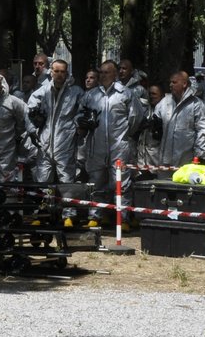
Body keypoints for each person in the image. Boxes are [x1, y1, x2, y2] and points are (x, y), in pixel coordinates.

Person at [80, 60, 146, 229]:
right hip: (96, 146)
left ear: (115, 74)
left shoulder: (125, 94)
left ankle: (122, 218)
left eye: (106, 72)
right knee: (96, 182)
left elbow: (136, 117)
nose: (102, 75)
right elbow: (80, 115)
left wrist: (125, 136)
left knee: (121, 183)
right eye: (101, 72)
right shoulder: (91, 95)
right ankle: (95, 216)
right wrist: (83, 122)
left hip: (119, 146)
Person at [26, 58, 85, 227]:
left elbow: (82, 113)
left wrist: (78, 126)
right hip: (44, 144)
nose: (59, 75)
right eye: (56, 71)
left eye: (62, 72)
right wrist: (32, 129)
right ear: (51, 72)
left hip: (65, 144)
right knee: (43, 181)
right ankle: (42, 213)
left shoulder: (76, 92)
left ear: (67, 73)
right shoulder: (42, 92)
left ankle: (68, 215)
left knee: (67, 181)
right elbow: (29, 112)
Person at [157, 69, 205, 167]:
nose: (170, 85)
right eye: (170, 82)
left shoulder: (196, 105)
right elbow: (155, 125)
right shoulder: (165, 102)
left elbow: (204, 131)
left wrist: (199, 155)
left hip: (186, 160)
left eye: (174, 82)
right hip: (165, 159)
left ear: (184, 84)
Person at [135, 82, 167, 171]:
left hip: (157, 154)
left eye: (154, 94)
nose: (151, 96)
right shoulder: (146, 109)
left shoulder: (166, 111)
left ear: (162, 95)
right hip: (143, 154)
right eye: (149, 94)